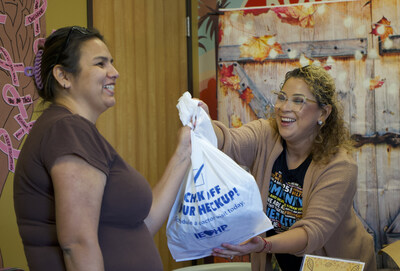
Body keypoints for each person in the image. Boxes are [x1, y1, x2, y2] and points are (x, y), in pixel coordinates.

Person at [13, 26, 191, 271]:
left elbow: (140, 224)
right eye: (100, 64)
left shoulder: (75, 131)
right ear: (63, 76)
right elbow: (77, 244)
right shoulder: (67, 130)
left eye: (111, 63)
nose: (114, 72)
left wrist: (183, 152)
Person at [205, 65, 376, 271]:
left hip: (335, 264)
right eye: (282, 97)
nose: (284, 107)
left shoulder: (340, 165)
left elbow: (311, 232)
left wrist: (263, 245)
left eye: (298, 101)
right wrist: (204, 125)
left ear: (323, 112)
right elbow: (228, 141)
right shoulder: (265, 134)